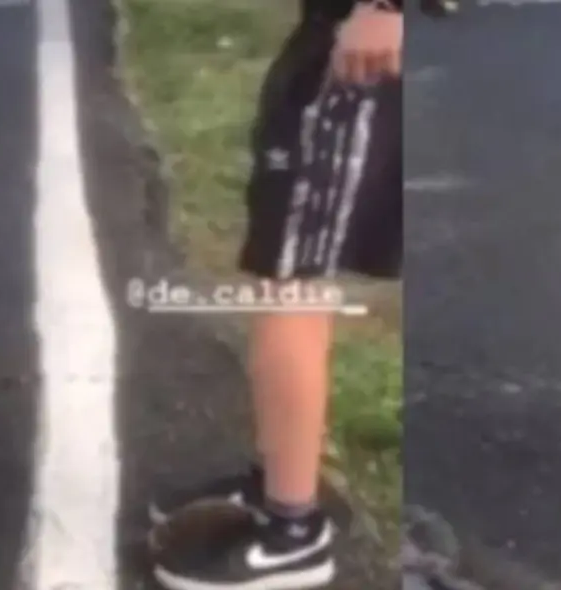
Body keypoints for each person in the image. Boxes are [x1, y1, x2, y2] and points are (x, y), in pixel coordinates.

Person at [149, 1, 402, 589]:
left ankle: (294, 532)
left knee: (292, 285)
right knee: (289, 282)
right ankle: (278, 481)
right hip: (331, 34)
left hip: (357, 47)